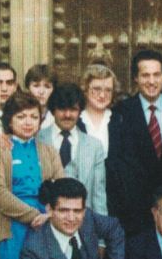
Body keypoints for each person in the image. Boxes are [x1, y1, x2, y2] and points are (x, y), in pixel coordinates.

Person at [0, 90, 64, 259]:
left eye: (33, 116)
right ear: (9, 120)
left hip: (46, 222)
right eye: (21, 117)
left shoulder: (49, 151)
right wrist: (32, 215)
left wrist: (49, 215)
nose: (28, 122)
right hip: (12, 223)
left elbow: (62, 188)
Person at [106, 50, 162, 236]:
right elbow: (116, 165)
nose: (152, 81)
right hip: (135, 214)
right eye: (145, 75)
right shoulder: (121, 112)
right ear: (136, 78)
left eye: (157, 75)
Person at [40, 83, 107, 215]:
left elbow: (98, 195)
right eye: (62, 109)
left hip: (83, 221)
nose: (67, 115)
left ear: (80, 111)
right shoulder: (37, 139)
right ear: (53, 110)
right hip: (45, 219)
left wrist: (101, 226)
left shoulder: (94, 146)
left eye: (73, 109)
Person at [80, 63, 116, 153]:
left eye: (108, 90)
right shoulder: (75, 120)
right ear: (85, 89)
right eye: (96, 89)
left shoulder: (120, 120)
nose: (102, 95)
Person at [25, 64, 57, 128]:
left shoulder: (57, 117)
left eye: (47, 86)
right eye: (36, 86)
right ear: (28, 87)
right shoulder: (17, 114)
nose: (41, 92)